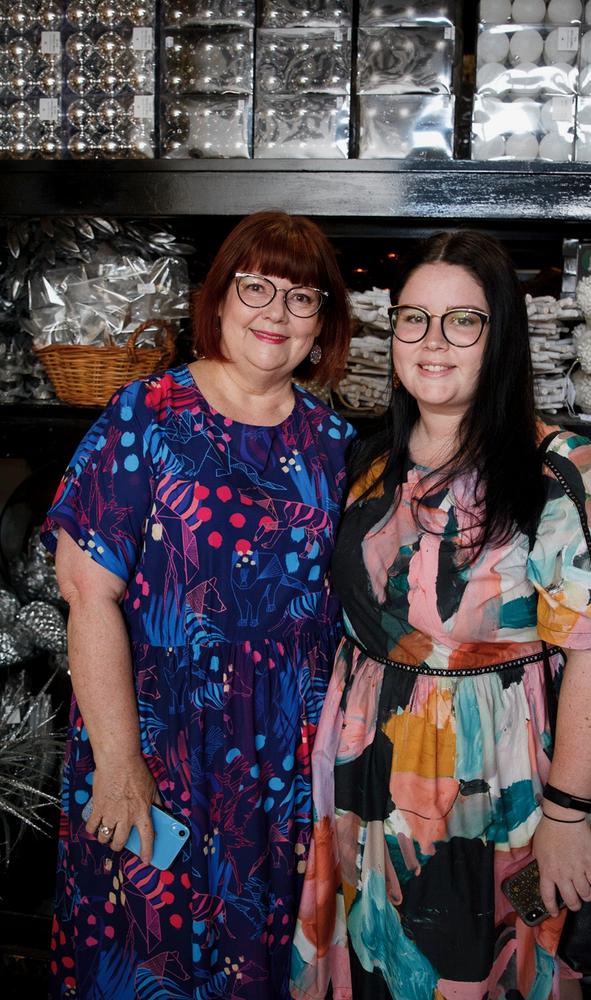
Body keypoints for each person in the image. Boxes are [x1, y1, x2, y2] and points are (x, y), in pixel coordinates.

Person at [290, 230, 591, 1000]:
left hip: (499, 787)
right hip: (366, 777)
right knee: (376, 965)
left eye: (463, 320)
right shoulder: (371, 460)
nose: (433, 341)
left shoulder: (569, 473)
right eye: (414, 319)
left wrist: (567, 816)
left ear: (502, 335)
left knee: (486, 965)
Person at [41, 210, 355, 1000]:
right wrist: (118, 764)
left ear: (323, 326)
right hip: (155, 744)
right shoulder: (144, 417)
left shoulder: (337, 444)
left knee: (265, 963)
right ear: (217, 303)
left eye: (301, 297)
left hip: (283, 764)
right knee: (149, 959)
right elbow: (87, 593)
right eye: (256, 288)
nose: (275, 314)